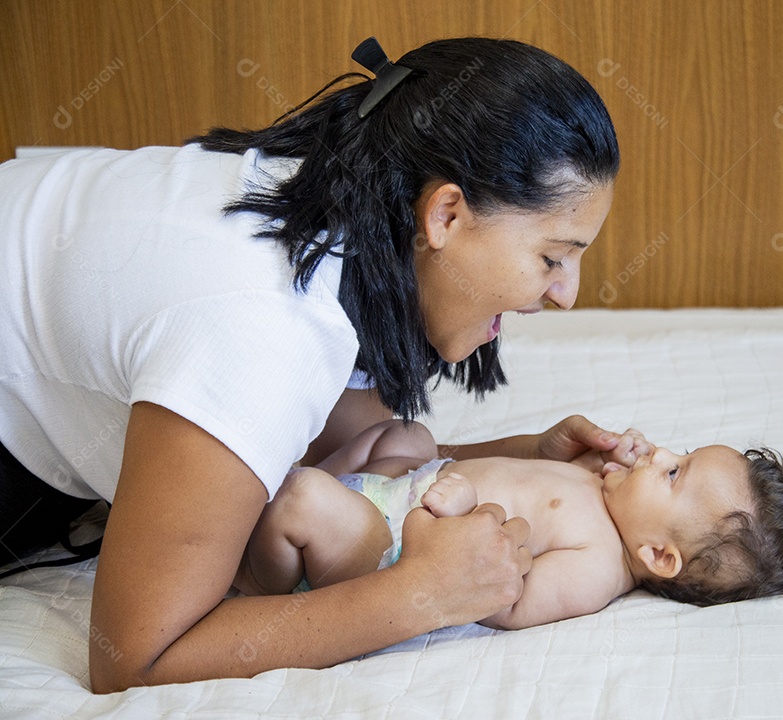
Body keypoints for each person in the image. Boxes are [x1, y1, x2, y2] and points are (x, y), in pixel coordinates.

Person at [0, 37, 626, 691]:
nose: (566, 293)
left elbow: (336, 453)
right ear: (445, 214)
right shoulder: (262, 328)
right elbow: (134, 659)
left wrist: (524, 454)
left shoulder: (344, 195)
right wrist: (418, 597)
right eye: (553, 256)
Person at [234, 421, 783, 629]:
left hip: (390, 544)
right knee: (405, 433)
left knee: (301, 498)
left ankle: (252, 584)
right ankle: (306, 493)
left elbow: (501, 599)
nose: (661, 451)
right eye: (681, 452)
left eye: (674, 473)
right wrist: (609, 465)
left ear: (659, 557)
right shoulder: (607, 495)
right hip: (411, 483)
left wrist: (456, 514)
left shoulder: (596, 567)